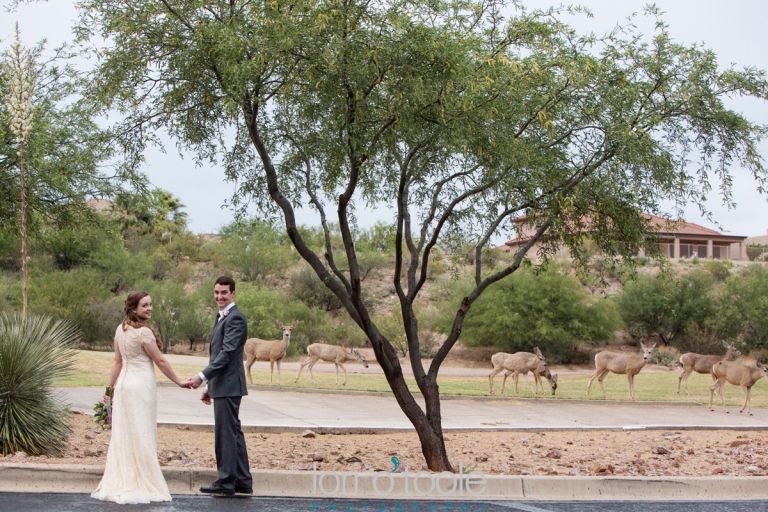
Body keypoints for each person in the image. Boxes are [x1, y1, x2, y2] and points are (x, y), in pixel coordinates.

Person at [92, 291, 189, 504]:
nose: (150, 308)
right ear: (134, 308)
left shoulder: (120, 330)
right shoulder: (144, 332)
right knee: (142, 432)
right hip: (141, 388)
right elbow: (160, 361)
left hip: (125, 387)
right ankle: (143, 481)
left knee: (125, 434)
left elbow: (117, 362)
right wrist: (178, 381)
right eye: (145, 305)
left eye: (150, 304)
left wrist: (110, 389)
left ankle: (125, 478)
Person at [185, 276, 252, 496]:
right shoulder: (223, 317)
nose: (219, 296)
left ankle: (226, 482)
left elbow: (226, 354)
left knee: (226, 434)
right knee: (233, 432)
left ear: (233, 293)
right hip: (224, 384)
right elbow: (221, 356)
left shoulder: (235, 318)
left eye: (224, 292)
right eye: (216, 292)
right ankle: (242, 481)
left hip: (230, 385)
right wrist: (211, 386)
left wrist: (202, 377)